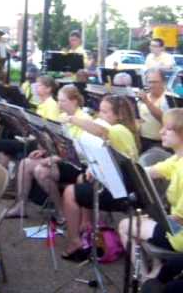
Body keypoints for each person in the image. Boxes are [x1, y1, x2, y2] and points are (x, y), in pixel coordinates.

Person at [60, 95, 139, 261]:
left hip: (122, 191)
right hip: (118, 183)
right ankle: (86, 224)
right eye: (99, 111)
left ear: (119, 115)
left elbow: (100, 130)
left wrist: (72, 119)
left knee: (69, 192)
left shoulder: (119, 130)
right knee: (83, 178)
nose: (100, 116)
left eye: (105, 112)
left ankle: (75, 242)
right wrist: (92, 168)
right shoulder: (121, 129)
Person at [6, 85, 90, 220]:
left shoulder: (84, 119)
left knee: (41, 171)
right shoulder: (63, 116)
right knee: (25, 163)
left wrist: (53, 158)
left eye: (62, 101)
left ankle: (61, 211)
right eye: (58, 100)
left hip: (78, 164)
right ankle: (21, 206)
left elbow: (79, 151)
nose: (59, 103)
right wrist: (43, 151)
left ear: (74, 101)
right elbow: (56, 141)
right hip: (62, 158)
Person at [119, 108, 183, 280]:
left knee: (125, 225)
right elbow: (148, 171)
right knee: (144, 218)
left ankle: (144, 279)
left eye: (168, 129)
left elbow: (179, 219)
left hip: (180, 234)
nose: (161, 131)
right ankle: (157, 265)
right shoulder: (177, 158)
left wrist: (158, 217)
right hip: (176, 224)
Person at [138, 68, 170, 152]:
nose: (151, 85)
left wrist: (147, 102)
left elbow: (166, 120)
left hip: (160, 143)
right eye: (149, 82)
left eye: (155, 82)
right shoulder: (144, 97)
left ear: (163, 82)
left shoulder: (168, 98)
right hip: (142, 140)